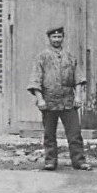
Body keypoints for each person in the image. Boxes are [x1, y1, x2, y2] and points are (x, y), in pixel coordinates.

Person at [26, 25, 90, 171]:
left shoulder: (70, 56)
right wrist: (40, 98)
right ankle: (50, 161)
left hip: (68, 100)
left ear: (63, 38)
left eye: (59, 37)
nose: (56, 39)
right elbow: (36, 79)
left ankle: (79, 161)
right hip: (49, 101)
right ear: (49, 39)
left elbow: (78, 79)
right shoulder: (42, 57)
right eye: (54, 37)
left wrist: (78, 96)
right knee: (49, 134)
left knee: (74, 133)